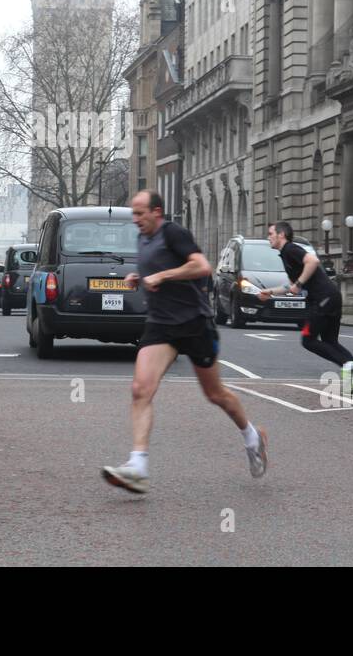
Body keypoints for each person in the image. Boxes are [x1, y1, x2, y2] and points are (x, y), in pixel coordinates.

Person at [101, 189, 268, 495]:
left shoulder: (174, 232)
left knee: (215, 394)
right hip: (160, 325)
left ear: (157, 212)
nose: (135, 219)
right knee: (140, 390)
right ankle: (138, 466)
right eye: (133, 214)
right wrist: (140, 275)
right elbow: (157, 266)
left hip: (194, 324)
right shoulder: (143, 237)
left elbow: (201, 267)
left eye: (140, 213)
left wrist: (162, 276)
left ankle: (252, 436)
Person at [259, 221, 353, 399]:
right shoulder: (285, 254)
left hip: (323, 299)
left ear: (281, 235)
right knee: (330, 341)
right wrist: (271, 292)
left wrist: (299, 283)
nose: (268, 237)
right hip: (331, 297)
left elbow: (313, 261)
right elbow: (291, 284)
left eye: (271, 233)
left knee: (307, 339)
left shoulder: (290, 249)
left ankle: (352, 369)